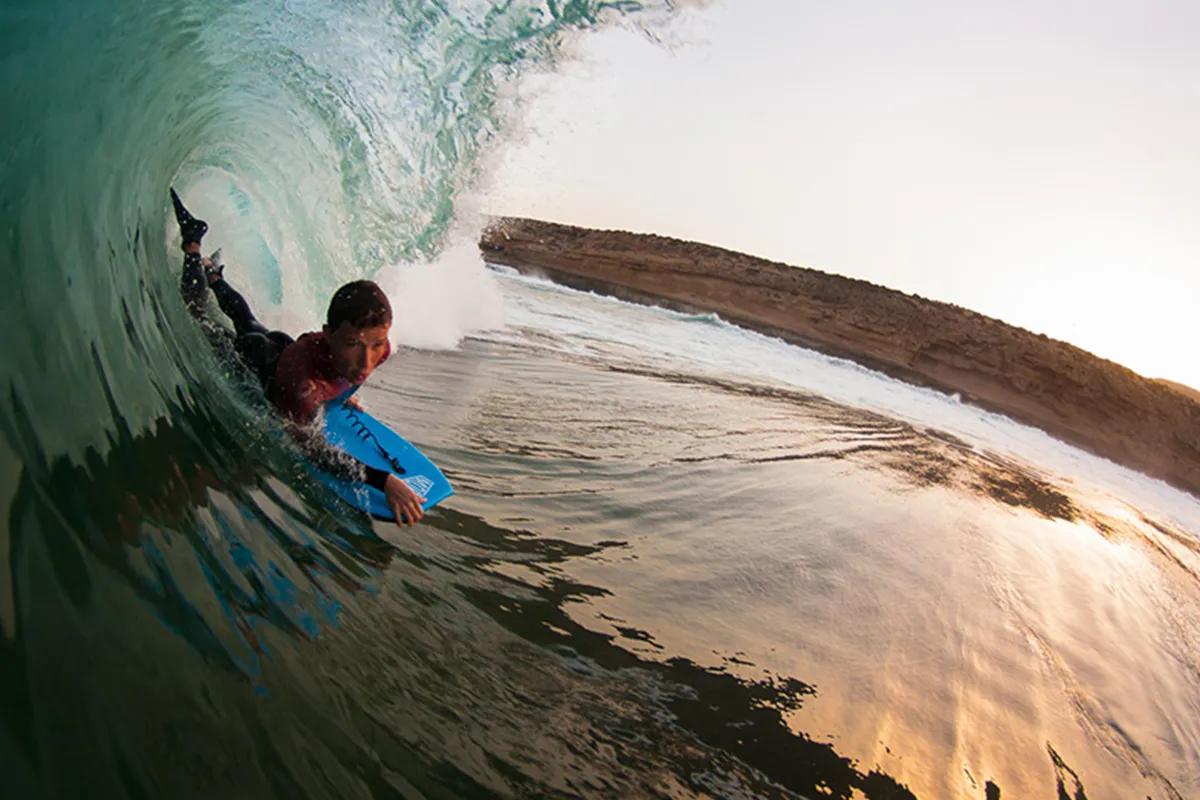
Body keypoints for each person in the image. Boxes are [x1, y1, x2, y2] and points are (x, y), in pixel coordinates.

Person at [171, 188, 425, 525]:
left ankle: (215, 276)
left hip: (285, 346)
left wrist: (344, 394)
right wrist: (384, 480)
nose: (367, 360)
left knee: (247, 318)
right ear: (331, 334)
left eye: (376, 344)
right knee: (202, 318)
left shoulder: (378, 349)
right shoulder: (303, 389)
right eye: (353, 344)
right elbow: (317, 453)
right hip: (260, 363)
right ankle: (192, 247)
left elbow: (343, 362)